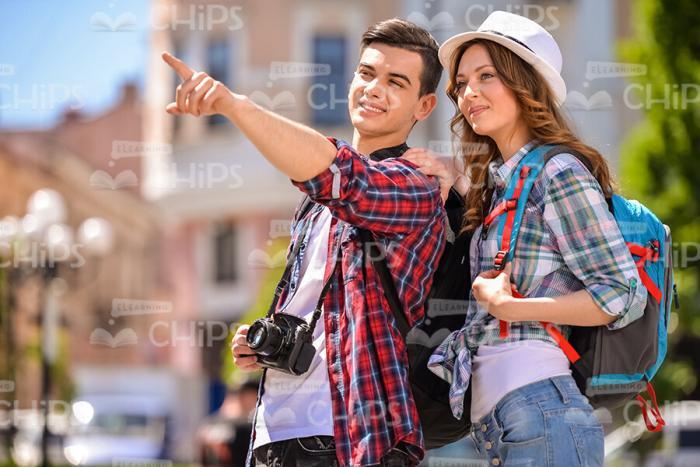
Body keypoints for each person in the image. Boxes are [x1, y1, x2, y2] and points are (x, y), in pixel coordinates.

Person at [162, 18, 446, 466]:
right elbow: (320, 304)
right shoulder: (313, 209)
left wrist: (234, 105)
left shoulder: (416, 187)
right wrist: (266, 338)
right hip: (274, 434)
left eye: (396, 82)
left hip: (355, 437)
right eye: (367, 73)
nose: (373, 88)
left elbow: (343, 176)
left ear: (424, 105)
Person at [413, 11, 648, 466]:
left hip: (542, 414)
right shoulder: (504, 183)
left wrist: (511, 308)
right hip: (507, 426)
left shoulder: (557, 170)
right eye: (460, 83)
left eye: (486, 76)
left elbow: (621, 292)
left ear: (525, 83)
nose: (468, 93)